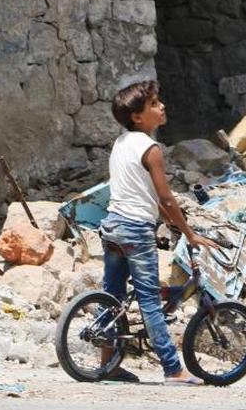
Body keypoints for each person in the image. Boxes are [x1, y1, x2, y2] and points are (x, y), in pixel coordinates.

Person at [99, 79, 220, 385]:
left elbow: (150, 197)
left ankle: (107, 364)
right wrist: (189, 232)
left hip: (113, 225)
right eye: (154, 104)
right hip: (137, 231)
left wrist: (170, 221)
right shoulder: (151, 149)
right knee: (150, 300)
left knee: (110, 297)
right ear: (138, 117)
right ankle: (173, 369)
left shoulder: (121, 142)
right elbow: (165, 197)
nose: (162, 106)